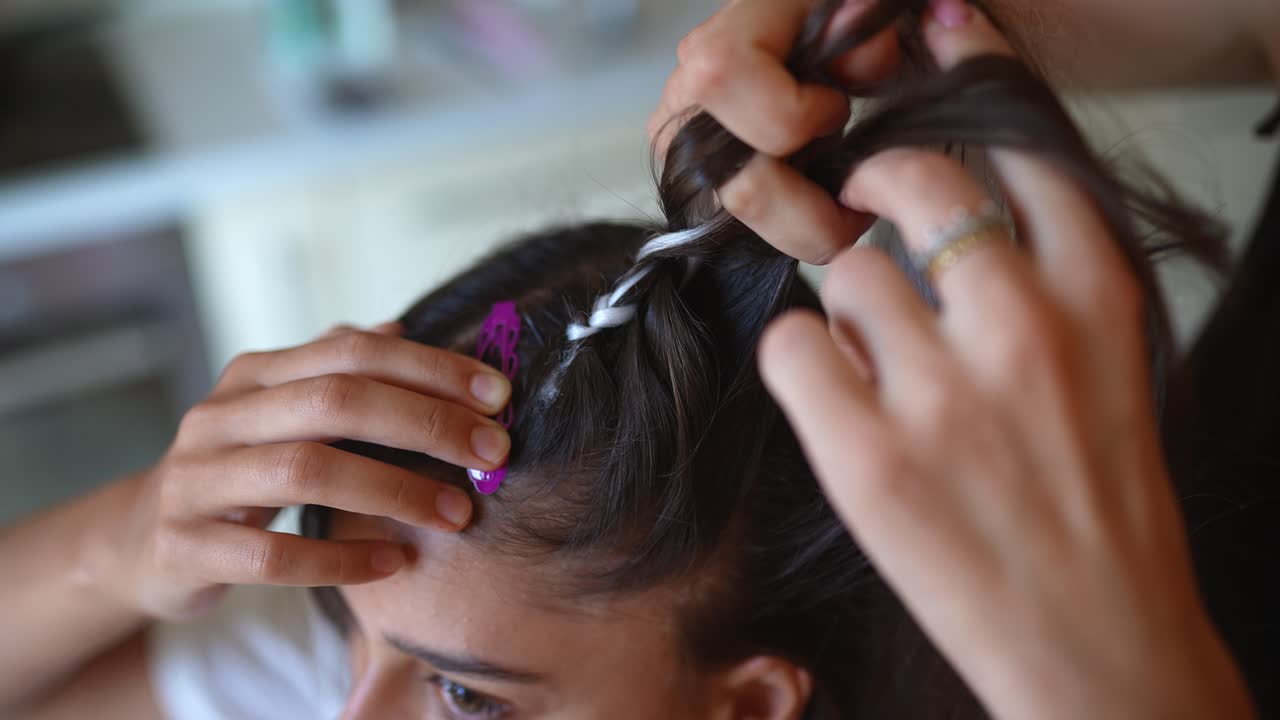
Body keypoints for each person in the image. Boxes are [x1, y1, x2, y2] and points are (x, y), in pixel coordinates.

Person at [0, 2, 1271, 719]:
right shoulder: (427, 621)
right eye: (344, 635)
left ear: (746, 709)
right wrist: (126, 539)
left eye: (466, 705)